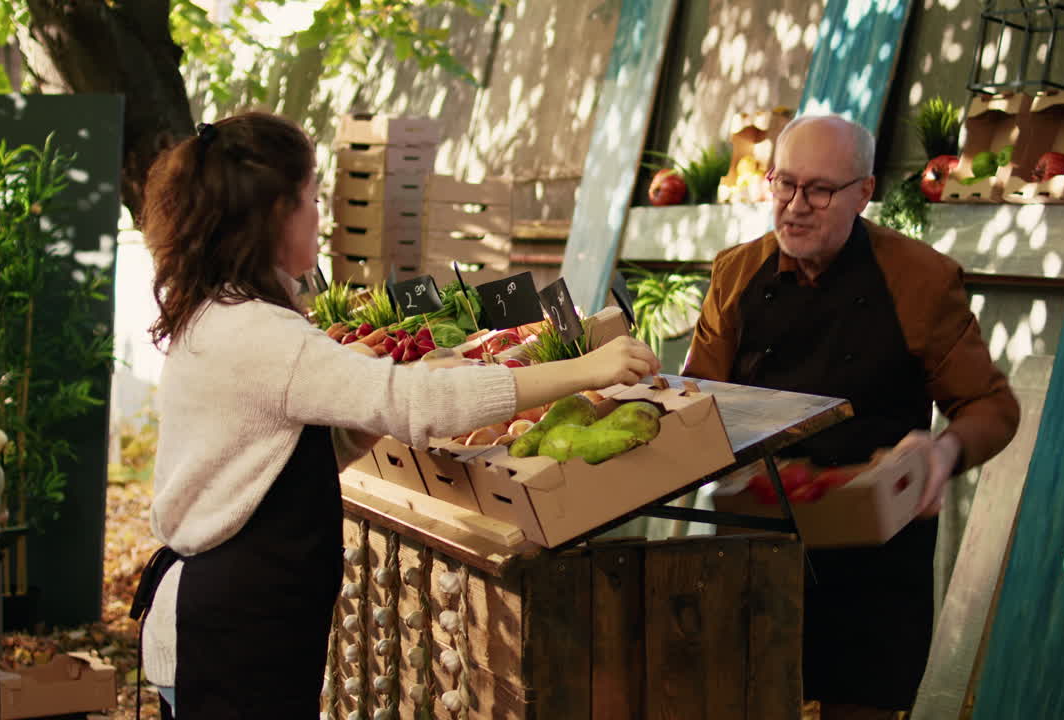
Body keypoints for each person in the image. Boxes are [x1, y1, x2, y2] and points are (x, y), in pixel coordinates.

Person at [132, 112, 659, 719]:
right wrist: (588, 369)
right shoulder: (259, 333)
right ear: (276, 213)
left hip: (228, 624)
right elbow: (421, 408)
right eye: (310, 198)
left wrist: (371, 408)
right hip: (231, 637)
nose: (319, 215)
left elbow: (273, 461)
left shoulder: (222, 313)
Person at [683, 115, 1019, 719]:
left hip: (876, 556)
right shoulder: (735, 275)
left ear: (864, 192)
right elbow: (694, 402)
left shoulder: (920, 279)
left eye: (819, 190)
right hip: (759, 540)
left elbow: (991, 406)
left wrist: (941, 452)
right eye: (784, 184)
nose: (795, 206)